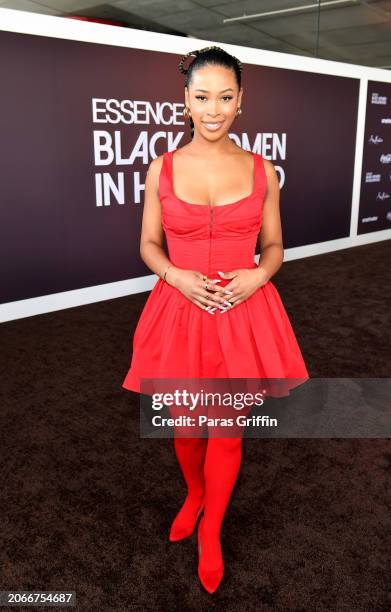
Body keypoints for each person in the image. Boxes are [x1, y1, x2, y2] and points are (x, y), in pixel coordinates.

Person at [122, 45, 309, 594]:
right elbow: (148, 245)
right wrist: (176, 276)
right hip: (179, 311)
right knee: (185, 429)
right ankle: (196, 493)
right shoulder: (162, 167)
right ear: (184, 101)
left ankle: (212, 529)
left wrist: (259, 275)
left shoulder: (260, 170)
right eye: (202, 97)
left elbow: (273, 245)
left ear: (241, 101)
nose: (213, 108)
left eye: (225, 97)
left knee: (226, 431)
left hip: (242, 314)